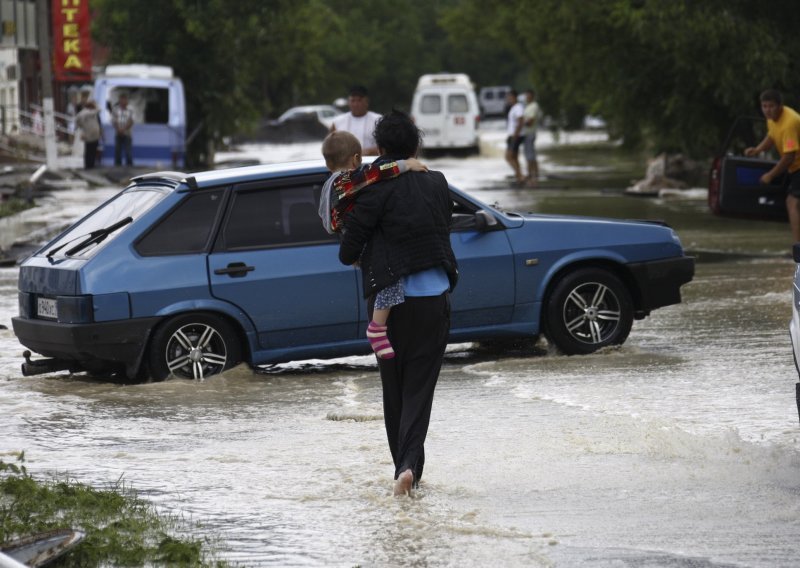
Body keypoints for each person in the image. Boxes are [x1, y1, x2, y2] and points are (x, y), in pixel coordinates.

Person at [338, 110, 458, 496]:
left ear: (383, 149)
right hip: (433, 302)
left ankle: (402, 470)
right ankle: (410, 471)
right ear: (415, 147)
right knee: (419, 392)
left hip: (388, 308)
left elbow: (348, 249)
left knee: (395, 391)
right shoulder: (438, 183)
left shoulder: (373, 188)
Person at [319, 130, 428, 359]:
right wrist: (406, 165)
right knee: (389, 277)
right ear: (356, 159)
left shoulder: (331, 184)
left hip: (350, 236)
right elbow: (377, 173)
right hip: (359, 236)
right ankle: (377, 329)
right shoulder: (346, 181)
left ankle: (379, 324)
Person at [745, 89, 800, 241]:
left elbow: (789, 156)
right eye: (764, 106)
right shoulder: (773, 119)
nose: (767, 110)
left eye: (771, 106)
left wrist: (770, 175)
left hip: (797, 166)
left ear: (780, 106)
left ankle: (798, 248)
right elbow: (772, 135)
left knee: (792, 202)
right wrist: (758, 149)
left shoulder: (790, 122)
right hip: (794, 167)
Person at [330, 85, 382, 156]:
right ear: (348, 102)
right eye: (353, 101)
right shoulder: (337, 122)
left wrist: (369, 151)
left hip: (372, 163)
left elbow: (387, 147)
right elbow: (330, 146)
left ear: (366, 102)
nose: (356, 104)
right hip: (345, 164)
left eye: (359, 100)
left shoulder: (379, 120)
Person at [504, 89, 525, 184]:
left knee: (508, 157)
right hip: (513, 135)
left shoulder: (518, 107)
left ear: (515, 97)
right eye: (508, 97)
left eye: (510, 97)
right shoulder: (513, 107)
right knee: (515, 157)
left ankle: (520, 175)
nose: (508, 99)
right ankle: (519, 176)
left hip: (516, 135)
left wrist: (515, 134)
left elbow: (521, 121)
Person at [522, 88, 542, 188]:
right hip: (527, 133)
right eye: (526, 95)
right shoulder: (528, 106)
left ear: (532, 96)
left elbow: (530, 121)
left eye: (528, 95)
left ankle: (531, 175)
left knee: (529, 155)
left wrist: (520, 123)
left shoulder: (534, 106)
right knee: (531, 154)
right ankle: (534, 174)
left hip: (530, 133)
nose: (526, 97)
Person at [74, 100, 102, 169]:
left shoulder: (91, 113)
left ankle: (90, 164)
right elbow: (99, 110)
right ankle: (88, 165)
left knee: (91, 150)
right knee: (90, 151)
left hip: (93, 135)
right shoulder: (86, 112)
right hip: (89, 135)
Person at [111, 93, 134, 166]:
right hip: (118, 133)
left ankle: (129, 166)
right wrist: (118, 129)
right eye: (121, 99)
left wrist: (123, 129)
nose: (122, 101)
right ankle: (117, 166)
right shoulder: (115, 109)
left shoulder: (131, 109)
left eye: (124, 99)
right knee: (117, 150)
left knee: (128, 151)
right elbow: (113, 120)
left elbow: (131, 120)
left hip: (127, 133)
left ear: (126, 100)